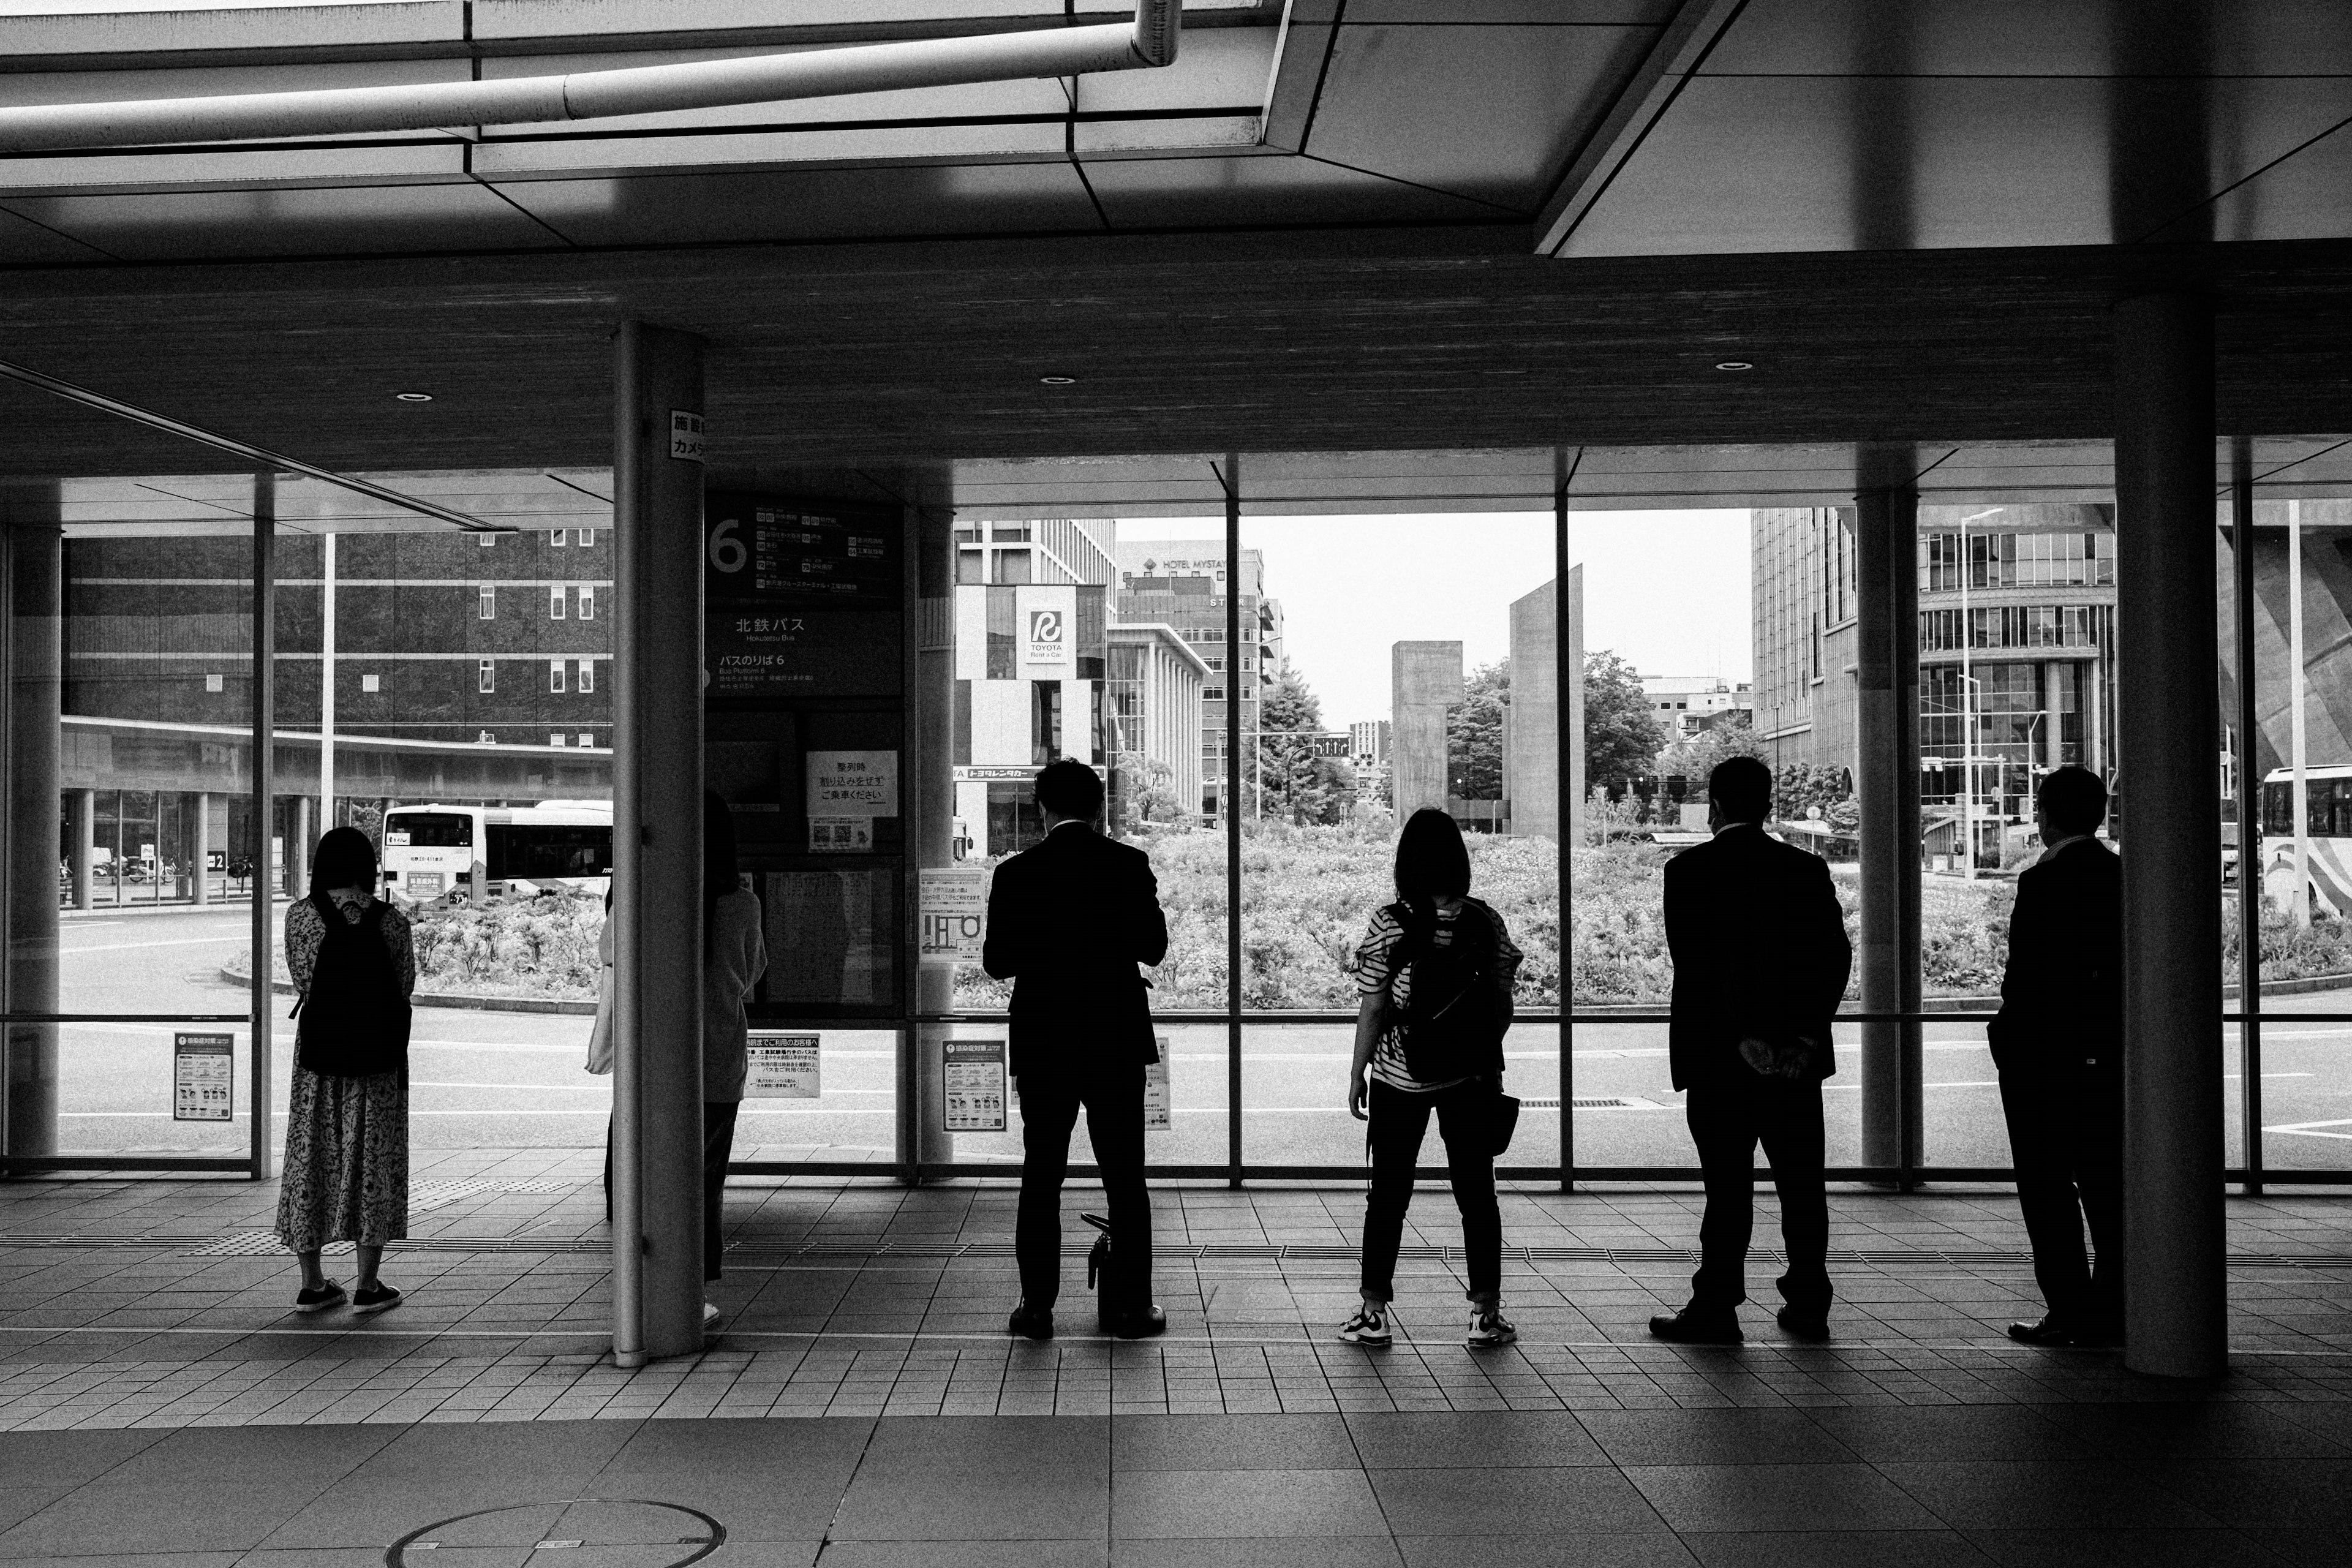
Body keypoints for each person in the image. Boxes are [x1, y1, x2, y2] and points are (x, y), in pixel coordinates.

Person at [1652, 755, 1852, 1344]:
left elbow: (1699, 967)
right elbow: (1834, 959)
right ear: (1769, 806)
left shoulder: (1687, 872)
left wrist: (1743, 1037)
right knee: (1801, 1184)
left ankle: (1717, 1306)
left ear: (1714, 807)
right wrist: (1803, 1038)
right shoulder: (1806, 870)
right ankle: (1810, 1302)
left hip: (1720, 1061)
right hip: (1793, 1065)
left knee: (1727, 1189)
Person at [982, 758, 1170, 1340]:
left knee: (1041, 1173)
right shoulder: (1128, 865)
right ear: (1097, 809)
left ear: (1043, 808)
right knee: (1124, 1175)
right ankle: (1132, 1308)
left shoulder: (1016, 874)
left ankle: (1036, 1308)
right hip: (1114, 1036)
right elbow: (1154, 948)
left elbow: (996, 963)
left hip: (1044, 1039)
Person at [1341, 808, 1524, 1349]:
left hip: (1400, 1080)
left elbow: (1373, 1008)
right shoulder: (1485, 921)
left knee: (1389, 1196)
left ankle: (1374, 1315)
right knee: (1477, 1194)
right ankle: (1485, 1317)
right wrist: (1472, 1051)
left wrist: (1358, 1072)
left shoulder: (1390, 922)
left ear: (1407, 864)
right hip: (1470, 1080)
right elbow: (1503, 1006)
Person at [1989, 766, 2124, 1347]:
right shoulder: (2121, 875)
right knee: (2106, 1185)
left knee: (2047, 1190)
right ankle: (2114, 1304)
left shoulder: (2042, 883)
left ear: (2044, 813)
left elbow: (2027, 980)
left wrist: (2005, 1039)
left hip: (2044, 1063)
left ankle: (2069, 1308)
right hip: (2104, 1058)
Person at [276, 826, 415, 1317]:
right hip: (377, 1068)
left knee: (311, 1158)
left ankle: (313, 1284)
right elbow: (403, 988)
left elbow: (301, 980)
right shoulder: (392, 923)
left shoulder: (301, 919)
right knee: (371, 1162)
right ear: (368, 866)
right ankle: (368, 1284)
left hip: (318, 1062)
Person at [701, 791, 767, 1324]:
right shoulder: (742, 904)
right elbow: (751, 977)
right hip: (720, 1054)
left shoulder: (652, 894)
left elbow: (611, 957)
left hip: (657, 1064)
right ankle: (696, 1286)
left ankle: (648, 1276)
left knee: (655, 1169)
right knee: (707, 1176)